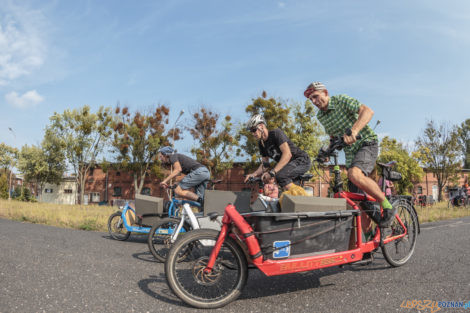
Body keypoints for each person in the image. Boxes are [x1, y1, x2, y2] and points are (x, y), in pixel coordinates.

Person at [304, 81, 395, 227]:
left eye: (315, 96)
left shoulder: (341, 100)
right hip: (350, 154)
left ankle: (388, 206)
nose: (314, 102)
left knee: (354, 174)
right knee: (358, 205)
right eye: (311, 100)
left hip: (366, 143)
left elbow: (367, 111)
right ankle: (368, 244)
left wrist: (354, 131)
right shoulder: (321, 116)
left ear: (325, 93)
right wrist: (327, 151)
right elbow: (333, 136)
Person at [244, 114, 311, 191]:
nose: (252, 133)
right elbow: (265, 165)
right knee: (287, 192)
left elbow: (287, 154)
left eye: (253, 130)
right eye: (251, 131)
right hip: (289, 166)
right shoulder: (261, 144)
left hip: (301, 160)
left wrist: (273, 172)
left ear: (261, 126)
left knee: (280, 176)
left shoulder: (276, 133)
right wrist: (253, 174)